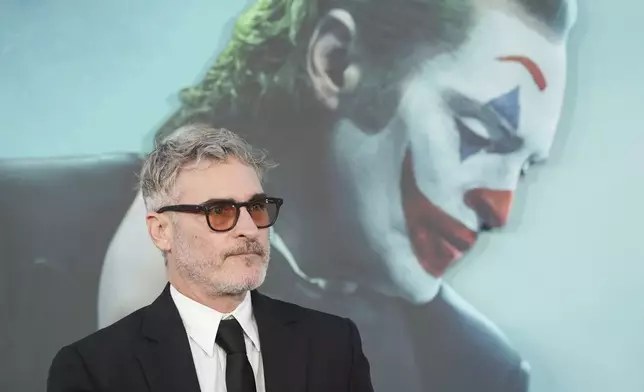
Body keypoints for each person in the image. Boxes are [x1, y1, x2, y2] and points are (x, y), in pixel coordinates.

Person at [98, 0, 579, 391]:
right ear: (336, 62)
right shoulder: (45, 238)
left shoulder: (477, 372)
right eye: (477, 133)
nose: (500, 206)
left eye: (524, 166)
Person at [47, 125, 374, 392]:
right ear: (161, 231)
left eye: (257, 208)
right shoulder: (91, 371)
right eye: (219, 211)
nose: (249, 229)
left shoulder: (334, 345)